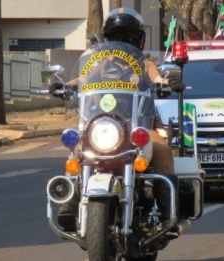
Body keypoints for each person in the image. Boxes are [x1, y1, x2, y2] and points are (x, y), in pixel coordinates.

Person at [51, 7, 185, 235]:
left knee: (161, 150)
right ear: (108, 39)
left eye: (128, 38)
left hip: (138, 124)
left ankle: (168, 212)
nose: (122, 42)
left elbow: (156, 77)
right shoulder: (99, 63)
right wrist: (65, 86)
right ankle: (72, 201)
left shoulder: (144, 62)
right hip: (101, 124)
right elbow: (83, 77)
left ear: (138, 40)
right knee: (76, 146)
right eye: (116, 38)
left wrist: (166, 83)